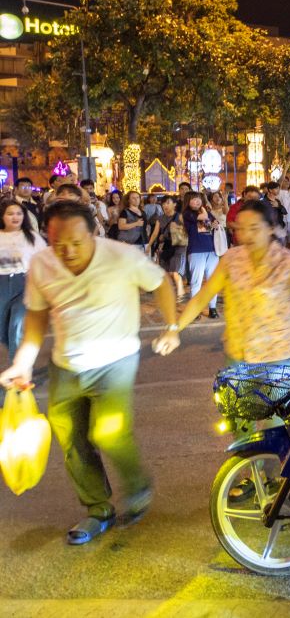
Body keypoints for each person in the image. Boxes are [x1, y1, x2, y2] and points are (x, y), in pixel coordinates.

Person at [0, 200, 179, 544]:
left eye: (75, 242)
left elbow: (160, 283)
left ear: (93, 233)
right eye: (57, 243)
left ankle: (138, 485)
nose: (66, 251)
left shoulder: (121, 257)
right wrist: (23, 360)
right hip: (66, 364)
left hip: (116, 361)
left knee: (110, 431)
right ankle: (98, 509)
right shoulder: (41, 263)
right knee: (72, 441)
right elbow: (37, 314)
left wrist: (171, 326)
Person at [157, 199, 290, 364]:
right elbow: (202, 298)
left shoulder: (287, 262)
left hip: (277, 360)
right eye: (241, 229)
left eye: (254, 228)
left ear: (270, 229)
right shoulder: (231, 259)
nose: (246, 235)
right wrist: (174, 330)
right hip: (238, 357)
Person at [0, 199, 45, 358]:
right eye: (10, 213)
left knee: (17, 326)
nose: (15, 217)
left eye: (19, 213)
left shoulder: (32, 237)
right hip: (2, 286)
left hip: (25, 283)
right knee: (3, 330)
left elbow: (44, 260)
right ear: (2, 216)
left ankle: (18, 372)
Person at [182, 191, 221, 319]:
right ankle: (195, 309)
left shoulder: (206, 212)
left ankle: (212, 308)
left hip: (211, 250)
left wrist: (215, 224)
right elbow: (204, 217)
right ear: (188, 201)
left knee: (212, 281)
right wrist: (206, 212)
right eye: (194, 199)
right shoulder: (187, 213)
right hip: (196, 251)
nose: (197, 201)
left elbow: (216, 223)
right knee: (196, 282)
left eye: (199, 199)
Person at [148, 195, 185, 298]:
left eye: (168, 203)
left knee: (175, 271)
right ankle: (172, 291)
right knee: (167, 272)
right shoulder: (160, 218)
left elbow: (187, 229)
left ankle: (180, 292)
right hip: (166, 245)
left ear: (174, 204)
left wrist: (177, 227)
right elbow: (155, 233)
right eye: (163, 203)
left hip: (178, 246)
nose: (165, 205)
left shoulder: (180, 216)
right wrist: (149, 245)